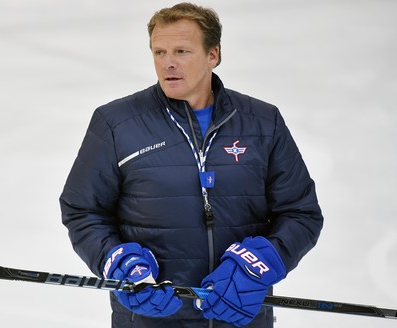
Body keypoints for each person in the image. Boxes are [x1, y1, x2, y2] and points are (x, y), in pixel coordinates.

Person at [59, 3, 324, 328]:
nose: (168, 62)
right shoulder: (117, 124)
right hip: (149, 319)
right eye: (159, 52)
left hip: (239, 317)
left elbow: (301, 213)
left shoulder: (261, 123)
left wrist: (258, 264)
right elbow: (83, 211)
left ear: (213, 54)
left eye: (182, 51)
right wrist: (119, 262)